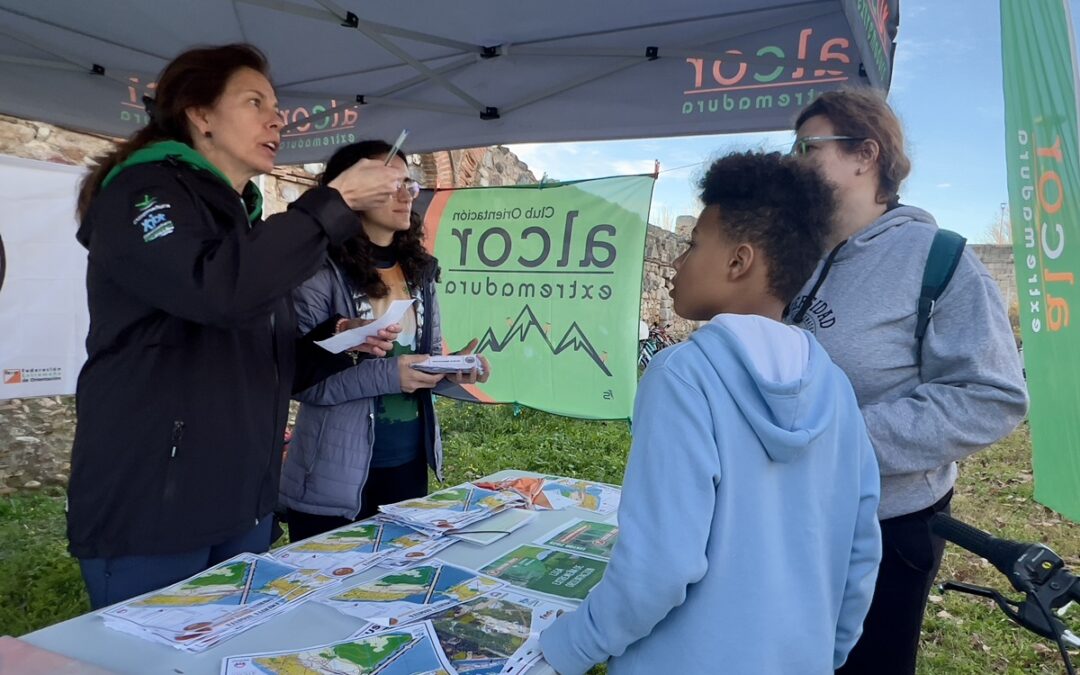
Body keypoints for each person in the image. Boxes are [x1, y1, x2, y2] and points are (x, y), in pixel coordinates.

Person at [67, 44, 405, 609]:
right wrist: (334, 201)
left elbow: (260, 359)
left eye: (276, 106)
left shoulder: (243, 222)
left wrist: (337, 341)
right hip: (155, 510)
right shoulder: (140, 192)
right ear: (200, 114)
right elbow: (216, 292)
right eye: (255, 103)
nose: (277, 119)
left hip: (240, 503)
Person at [539, 151, 882, 674]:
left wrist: (571, 649)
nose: (676, 262)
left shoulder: (682, 375)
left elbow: (659, 565)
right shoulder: (835, 386)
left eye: (694, 243)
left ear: (738, 261)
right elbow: (861, 553)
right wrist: (823, 654)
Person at [787, 89, 1029, 675]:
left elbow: (992, 395)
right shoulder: (794, 252)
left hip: (886, 527)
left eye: (806, 147)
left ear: (865, 155)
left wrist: (839, 440)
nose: (792, 162)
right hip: (788, 509)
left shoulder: (940, 260)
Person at [279, 140, 490, 542]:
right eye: (388, 182)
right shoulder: (319, 271)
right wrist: (391, 375)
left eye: (408, 183)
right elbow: (303, 383)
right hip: (333, 479)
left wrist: (451, 369)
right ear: (350, 190)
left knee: (397, 591)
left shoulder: (420, 269)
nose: (405, 193)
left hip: (409, 466)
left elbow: (418, 363)